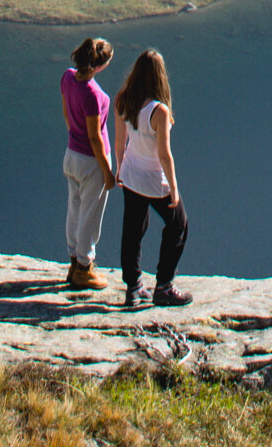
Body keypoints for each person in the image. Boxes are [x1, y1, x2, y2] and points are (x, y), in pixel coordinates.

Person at [114, 47, 190, 308]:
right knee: (179, 225)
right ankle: (164, 286)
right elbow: (164, 155)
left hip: (131, 176)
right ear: (160, 76)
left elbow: (119, 142)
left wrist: (120, 170)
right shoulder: (159, 111)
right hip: (154, 181)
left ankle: (133, 288)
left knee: (133, 230)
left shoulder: (123, 100)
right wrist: (174, 189)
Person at [59, 35, 117, 290]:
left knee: (74, 209)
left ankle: (73, 261)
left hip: (71, 154)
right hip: (91, 161)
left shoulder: (68, 77)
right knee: (90, 216)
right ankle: (84, 268)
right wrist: (107, 171)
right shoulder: (93, 93)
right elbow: (95, 137)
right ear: (99, 65)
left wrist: (75, 138)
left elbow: (66, 115)